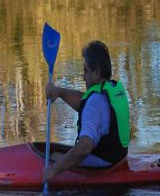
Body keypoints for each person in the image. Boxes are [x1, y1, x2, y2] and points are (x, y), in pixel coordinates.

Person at [42, 40, 132, 183]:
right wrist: (58, 92)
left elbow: (84, 148)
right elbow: (85, 102)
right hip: (118, 158)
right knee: (60, 155)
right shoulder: (110, 88)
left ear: (96, 72)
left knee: (53, 157)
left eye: (86, 71)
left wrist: (54, 170)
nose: (83, 76)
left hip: (105, 165)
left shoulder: (95, 103)